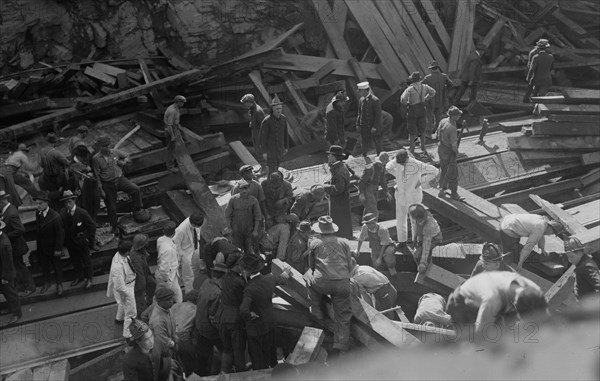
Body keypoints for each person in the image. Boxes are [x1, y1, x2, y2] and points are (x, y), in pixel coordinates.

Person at [446, 271, 548, 338]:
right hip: (463, 304)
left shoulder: (534, 290)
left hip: (501, 302)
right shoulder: (493, 299)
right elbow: (480, 334)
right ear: (515, 306)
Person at [304, 216, 353, 353]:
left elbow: (311, 266)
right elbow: (349, 265)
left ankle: (317, 310)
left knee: (308, 277)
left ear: (319, 230)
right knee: (343, 316)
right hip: (342, 283)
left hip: (322, 283)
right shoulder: (344, 242)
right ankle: (342, 346)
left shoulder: (314, 243)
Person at [239, 253, 290, 370]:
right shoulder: (270, 278)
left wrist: (250, 315)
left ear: (247, 271)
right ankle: (274, 369)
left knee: (258, 358)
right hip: (270, 322)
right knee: (271, 352)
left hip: (256, 329)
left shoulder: (249, 289)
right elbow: (282, 279)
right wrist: (286, 271)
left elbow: (243, 309)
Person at [91, 135, 147, 232]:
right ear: (100, 147)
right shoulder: (96, 159)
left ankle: (137, 209)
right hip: (108, 184)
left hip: (120, 180)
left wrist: (123, 162)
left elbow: (127, 155)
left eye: (108, 145)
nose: (107, 148)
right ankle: (114, 226)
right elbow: (97, 176)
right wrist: (101, 190)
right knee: (111, 206)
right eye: (104, 146)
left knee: (135, 189)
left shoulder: (114, 153)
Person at [385, 149, 439, 246]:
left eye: (403, 162)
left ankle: (417, 242)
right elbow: (388, 167)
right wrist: (396, 174)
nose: (401, 164)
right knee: (400, 219)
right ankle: (402, 241)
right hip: (400, 195)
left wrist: (420, 180)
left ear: (407, 158)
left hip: (413, 196)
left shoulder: (417, 164)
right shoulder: (396, 162)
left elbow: (435, 171)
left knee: (415, 220)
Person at [0, 190, 35, 296]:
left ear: (2, 201)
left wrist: (6, 236)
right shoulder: (8, 210)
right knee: (18, 266)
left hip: (16, 246)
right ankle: (23, 285)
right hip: (13, 246)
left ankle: (30, 287)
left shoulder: (11, 213)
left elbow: (20, 229)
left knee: (21, 267)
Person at [499, 213, 564, 270]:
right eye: (552, 233)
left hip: (507, 219)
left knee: (515, 248)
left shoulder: (542, 221)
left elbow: (541, 235)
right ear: (550, 229)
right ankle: (502, 270)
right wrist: (520, 263)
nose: (550, 235)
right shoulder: (539, 228)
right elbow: (528, 247)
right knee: (509, 255)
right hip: (507, 228)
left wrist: (542, 248)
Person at [217, 253, 247, 373]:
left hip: (223, 318)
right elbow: (244, 299)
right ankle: (241, 375)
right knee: (239, 350)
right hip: (234, 320)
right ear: (237, 265)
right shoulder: (239, 282)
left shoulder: (226, 277)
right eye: (241, 264)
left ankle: (224, 371)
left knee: (227, 349)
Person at [59, 190, 96, 289]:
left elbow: (92, 227)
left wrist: (85, 237)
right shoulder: (63, 213)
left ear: (74, 201)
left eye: (69, 202)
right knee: (75, 261)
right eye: (66, 203)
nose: (68, 204)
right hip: (71, 242)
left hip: (81, 242)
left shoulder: (82, 213)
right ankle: (79, 277)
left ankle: (89, 278)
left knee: (86, 260)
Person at [195, 263, 227, 376]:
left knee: (203, 356)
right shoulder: (218, 293)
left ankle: (202, 376)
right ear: (223, 277)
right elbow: (213, 317)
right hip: (210, 330)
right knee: (227, 350)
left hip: (199, 325)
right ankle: (222, 373)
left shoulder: (205, 283)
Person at [34, 191, 65, 295]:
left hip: (53, 248)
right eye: (37, 203)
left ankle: (59, 284)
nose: (38, 205)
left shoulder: (55, 217)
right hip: (42, 247)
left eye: (40, 203)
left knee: (57, 267)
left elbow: (60, 235)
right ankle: (47, 283)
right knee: (44, 266)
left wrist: (58, 249)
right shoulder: (38, 214)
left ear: (47, 203)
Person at [400, 72, 436, 153]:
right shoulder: (424, 87)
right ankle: (423, 147)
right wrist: (426, 99)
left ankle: (412, 148)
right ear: (420, 79)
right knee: (422, 129)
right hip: (422, 110)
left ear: (412, 80)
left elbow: (402, 99)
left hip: (412, 111)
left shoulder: (410, 89)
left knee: (412, 130)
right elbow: (433, 92)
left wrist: (407, 103)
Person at [107, 240, 137, 338]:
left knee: (122, 305)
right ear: (127, 252)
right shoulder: (118, 267)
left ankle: (119, 319)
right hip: (126, 288)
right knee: (131, 312)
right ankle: (127, 334)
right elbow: (119, 287)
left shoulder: (119, 255)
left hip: (128, 284)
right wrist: (129, 295)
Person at [323, 145, 353, 239]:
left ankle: (341, 239)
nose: (328, 157)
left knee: (339, 222)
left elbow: (339, 189)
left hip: (339, 202)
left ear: (334, 156)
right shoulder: (339, 167)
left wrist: (325, 188)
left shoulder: (339, 170)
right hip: (340, 201)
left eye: (330, 155)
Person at [225, 180, 261, 254]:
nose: (244, 191)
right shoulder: (233, 200)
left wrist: (255, 230)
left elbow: (257, 216)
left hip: (249, 229)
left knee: (249, 250)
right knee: (237, 250)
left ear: (249, 189)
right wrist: (229, 228)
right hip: (236, 229)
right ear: (239, 189)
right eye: (242, 189)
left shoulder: (254, 201)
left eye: (246, 188)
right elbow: (227, 215)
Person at [174, 212, 205, 294]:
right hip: (185, 253)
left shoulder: (198, 222)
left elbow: (197, 233)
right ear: (193, 223)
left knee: (196, 269)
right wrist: (181, 256)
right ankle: (189, 293)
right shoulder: (181, 229)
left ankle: (197, 288)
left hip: (194, 248)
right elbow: (176, 245)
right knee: (188, 275)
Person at [437, 106, 463, 201]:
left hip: (441, 148)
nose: (460, 116)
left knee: (444, 169)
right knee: (452, 172)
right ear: (454, 116)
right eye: (458, 115)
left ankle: (441, 189)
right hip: (448, 151)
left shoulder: (443, 121)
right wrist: (457, 153)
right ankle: (454, 193)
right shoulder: (452, 128)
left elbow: (437, 133)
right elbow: (454, 145)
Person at [38, 133, 70, 210]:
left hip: (46, 177)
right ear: (55, 142)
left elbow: (41, 164)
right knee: (66, 186)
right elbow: (66, 163)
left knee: (49, 196)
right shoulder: (56, 153)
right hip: (57, 177)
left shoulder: (41, 151)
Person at [422, 61, 454, 138]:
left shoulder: (427, 78)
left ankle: (428, 134)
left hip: (430, 101)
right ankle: (439, 134)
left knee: (429, 118)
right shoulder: (444, 76)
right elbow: (451, 84)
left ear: (431, 69)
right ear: (437, 68)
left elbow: (421, 87)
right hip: (441, 101)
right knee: (439, 118)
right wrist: (445, 90)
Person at [409, 204, 442, 274]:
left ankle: (427, 270)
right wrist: (414, 241)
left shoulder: (429, 226)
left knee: (419, 255)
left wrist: (423, 262)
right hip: (422, 237)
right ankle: (422, 269)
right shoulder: (415, 217)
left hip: (434, 239)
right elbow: (415, 228)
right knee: (416, 254)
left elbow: (426, 244)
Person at [259, 95, 288, 174]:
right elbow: (262, 138)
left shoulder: (283, 119)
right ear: (272, 109)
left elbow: (285, 134)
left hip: (279, 149)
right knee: (271, 170)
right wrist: (264, 152)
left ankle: (277, 182)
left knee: (277, 167)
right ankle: (271, 182)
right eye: (277, 109)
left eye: (280, 108)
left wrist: (286, 147)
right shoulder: (267, 121)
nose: (279, 111)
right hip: (270, 150)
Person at [0, 219, 21, 325]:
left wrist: (4, 277)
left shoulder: (4, 244)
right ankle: (11, 309)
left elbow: (7, 263)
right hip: (2, 271)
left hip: (6, 274)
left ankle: (17, 314)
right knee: (6, 293)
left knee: (11, 294)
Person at [149, 287, 178, 362]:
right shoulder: (158, 320)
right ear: (160, 301)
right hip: (164, 353)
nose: (171, 301)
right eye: (168, 300)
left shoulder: (167, 309)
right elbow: (163, 340)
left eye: (171, 298)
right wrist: (173, 344)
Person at [156, 221, 182, 304]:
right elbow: (164, 268)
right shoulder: (168, 250)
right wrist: (167, 280)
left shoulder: (160, 240)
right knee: (177, 297)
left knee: (160, 295)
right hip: (168, 277)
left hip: (169, 274)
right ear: (174, 233)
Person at [358, 152, 391, 217]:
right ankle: (373, 225)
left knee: (369, 210)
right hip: (367, 190)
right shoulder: (370, 168)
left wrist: (387, 192)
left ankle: (366, 225)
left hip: (374, 189)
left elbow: (383, 180)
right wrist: (361, 194)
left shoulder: (381, 168)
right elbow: (361, 182)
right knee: (373, 212)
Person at [131, 234, 156, 317]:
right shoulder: (135, 258)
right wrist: (142, 287)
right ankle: (142, 316)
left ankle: (149, 302)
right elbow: (139, 274)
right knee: (140, 300)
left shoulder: (141, 251)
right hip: (140, 280)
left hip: (146, 274)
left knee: (153, 284)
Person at [356, 81, 383, 158]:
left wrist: (374, 127)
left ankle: (380, 158)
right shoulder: (361, 100)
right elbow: (359, 113)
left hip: (373, 126)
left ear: (365, 90)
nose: (359, 93)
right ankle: (364, 157)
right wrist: (358, 124)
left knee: (378, 143)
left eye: (360, 91)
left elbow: (378, 115)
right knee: (364, 143)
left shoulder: (375, 100)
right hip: (364, 126)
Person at [163, 95, 186, 172]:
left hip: (175, 129)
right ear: (178, 102)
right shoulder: (172, 111)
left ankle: (180, 162)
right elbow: (169, 125)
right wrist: (172, 136)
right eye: (182, 102)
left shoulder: (176, 108)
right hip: (170, 131)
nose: (183, 104)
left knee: (180, 145)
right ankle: (170, 167)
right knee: (171, 149)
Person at [240, 94, 266, 160]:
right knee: (257, 148)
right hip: (255, 131)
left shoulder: (257, 111)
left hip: (259, 132)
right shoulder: (252, 109)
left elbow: (264, 125)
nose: (244, 105)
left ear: (249, 102)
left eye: (245, 103)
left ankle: (264, 163)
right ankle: (261, 160)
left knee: (260, 148)